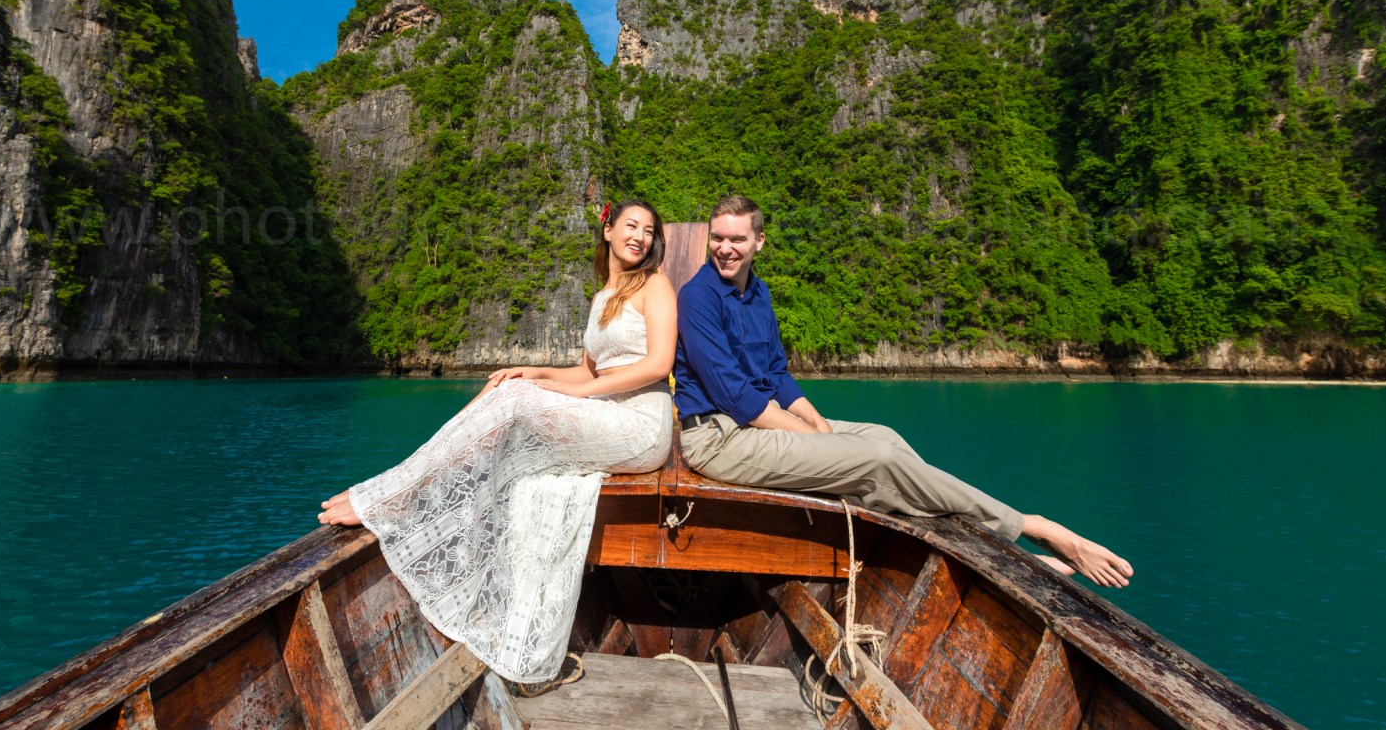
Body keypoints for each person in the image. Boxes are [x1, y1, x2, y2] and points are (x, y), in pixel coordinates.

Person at [673, 195, 1134, 588]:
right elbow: (738, 397)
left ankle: (993, 548)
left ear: (759, 242)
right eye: (718, 238)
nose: (725, 249)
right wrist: (816, 437)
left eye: (737, 239)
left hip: (762, 421)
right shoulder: (698, 297)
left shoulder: (759, 292)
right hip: (719, 438)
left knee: (887, 437)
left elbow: (777, 375)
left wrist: (815, 424)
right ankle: (1032, 527)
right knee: (879, 460)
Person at [318, 200, 678, 682]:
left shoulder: (655, 285)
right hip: (603, 410)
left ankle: (394, 492)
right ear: (607, 230)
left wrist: (572, 391)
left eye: (649, 231)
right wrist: (536, 371)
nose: (640, 237)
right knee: (508, 388)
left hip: (640, 424)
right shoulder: (603, 297)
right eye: (631, 226)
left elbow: (658, 365)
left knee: (515, 404)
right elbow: (590, 370)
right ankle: (403, 486)